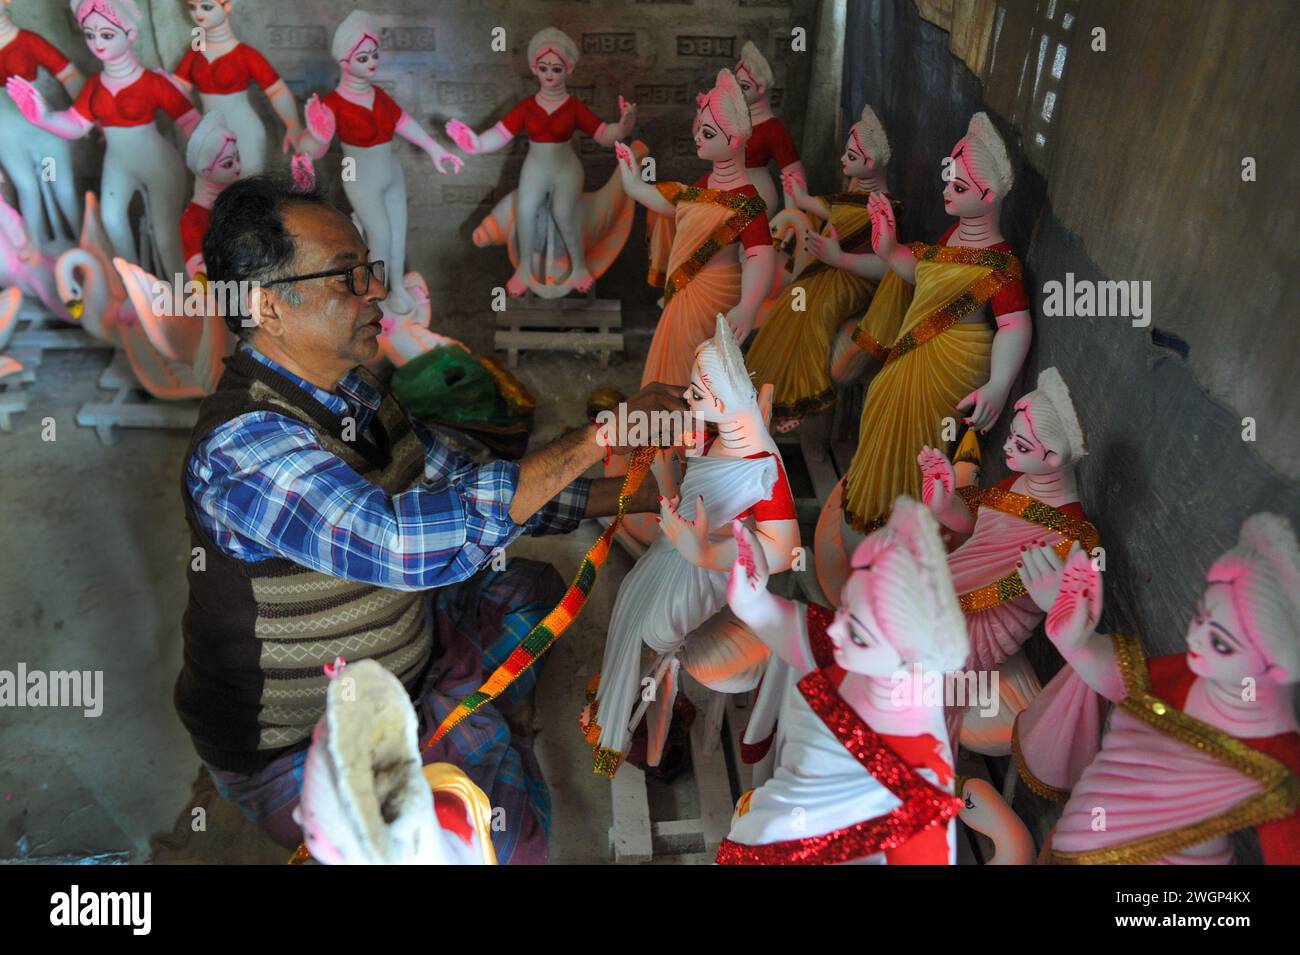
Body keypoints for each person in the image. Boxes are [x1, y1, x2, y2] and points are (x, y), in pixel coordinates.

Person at [175, 174, 684, 863]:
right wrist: (599, 435)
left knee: (526, 586)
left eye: (368, 270)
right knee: (499, 839)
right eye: (347, 278)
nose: (375, 291)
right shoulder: (244, 450)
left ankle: (452, 713)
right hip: (301, 740)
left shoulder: (350, 388)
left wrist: (629, 492)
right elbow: (405, 545)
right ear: (269, 306)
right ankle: (439, 736)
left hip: (402, 655)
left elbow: (464, 481)